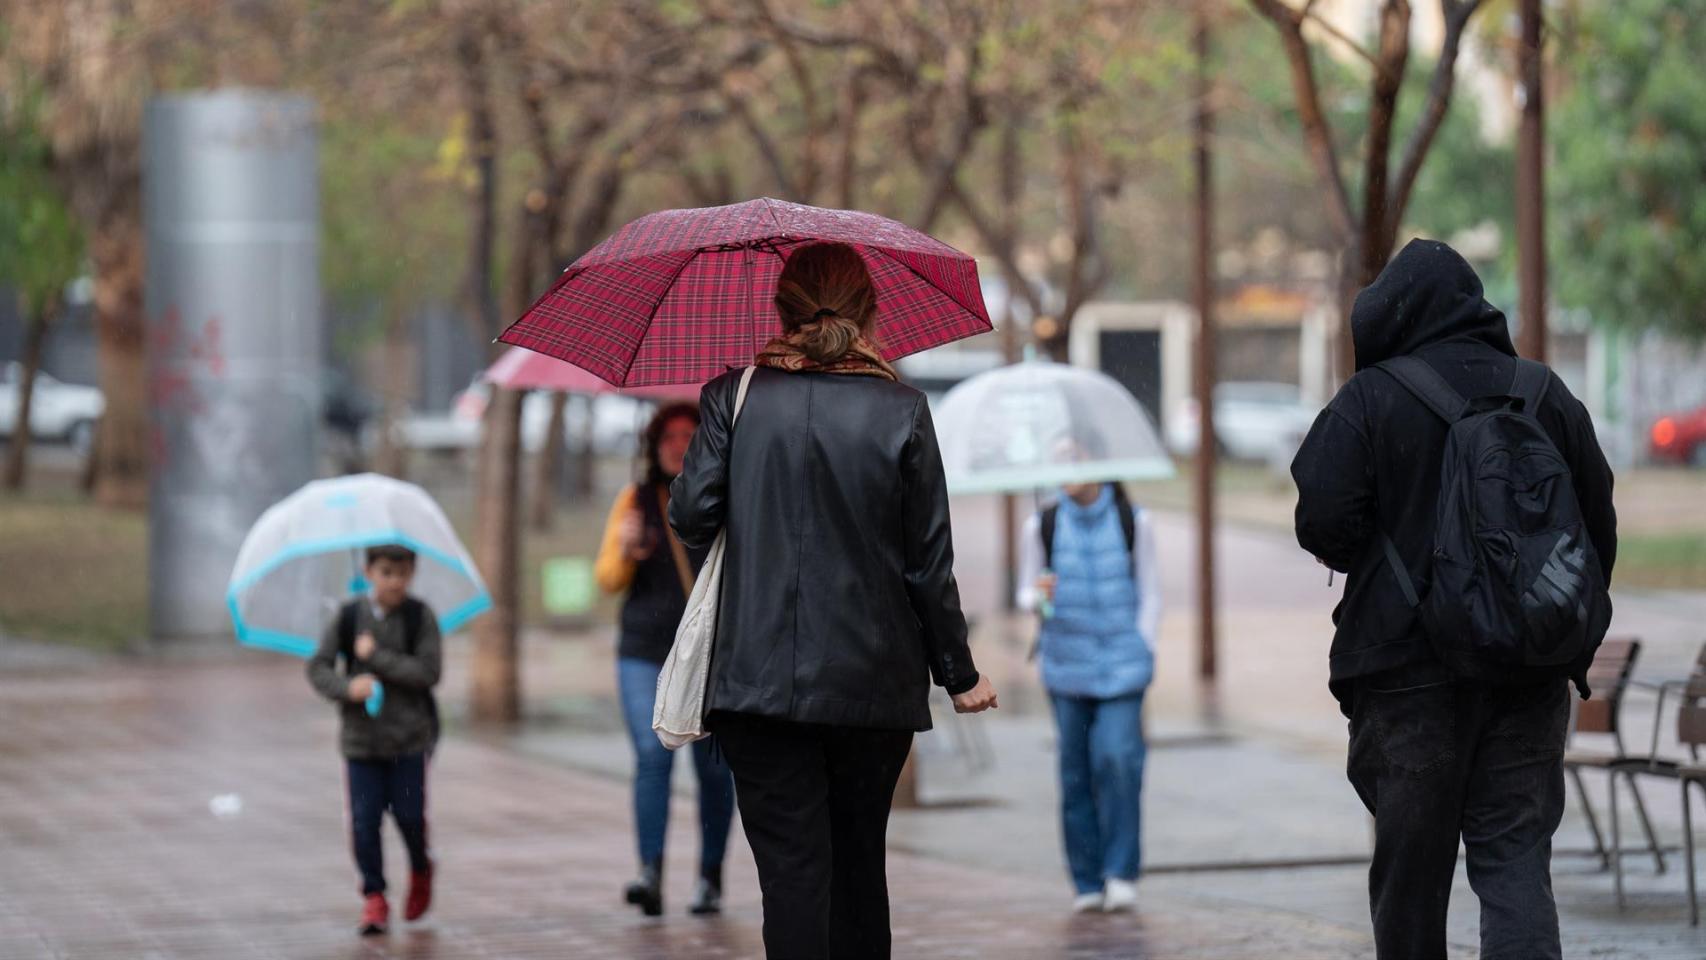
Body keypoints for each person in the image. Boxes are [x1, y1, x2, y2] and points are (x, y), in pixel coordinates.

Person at [669, 241, 999, 959]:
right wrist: (960, 675)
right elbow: (928, 566)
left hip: (755, 684)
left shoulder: (734, 396)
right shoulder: (903, 410)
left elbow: (692, 516)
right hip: (872, 686)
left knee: (791, 878)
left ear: (780, 310)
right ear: (872, 311)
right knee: (857, 872)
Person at [1291, 239, 1617, 960]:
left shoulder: (1370, 400)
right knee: (1516, 864)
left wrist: (1379, 559)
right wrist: (1551, 626)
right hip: (1527, 674)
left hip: (1408, 679)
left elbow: (1321, 518)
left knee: (1411, 881)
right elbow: (1595, 527)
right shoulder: (1544, 393)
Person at [594, 401, 735, 918]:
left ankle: (710, 878)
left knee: (715, 771)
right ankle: (649, 872)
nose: (679, 444)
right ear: (653, 446)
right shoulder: (634, 500)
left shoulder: (726, 499)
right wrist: (625, 549)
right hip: (644, 652)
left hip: (709, 656)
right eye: (668, 436)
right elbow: (606, 580)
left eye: (688, 434)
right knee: (653, 758)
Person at [1016, 480, 1159, 914]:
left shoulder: (1134, 521)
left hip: (1123, 666)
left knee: (1117, 760)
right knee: (1075, 773)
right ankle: (1086, 880)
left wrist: (1144, 643)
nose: (1069, 471)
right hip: (1066, 669)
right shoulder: (1041, 524)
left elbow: (1151, 591)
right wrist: (1040, 598)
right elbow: (1028, 595)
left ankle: (1120, 871)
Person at [305, 545, 443, 937]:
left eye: (402, 573)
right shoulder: (349, 618)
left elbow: (428, 672)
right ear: (368, 571)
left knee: (411, 818)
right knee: (365, 824)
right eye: (386, 573)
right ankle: (374, 895)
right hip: (361, 745)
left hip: (409, 742)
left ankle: (421, 865)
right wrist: (349, 688)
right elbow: (318, 667)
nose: (394, 582)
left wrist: (377, 657)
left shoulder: (419, 617)